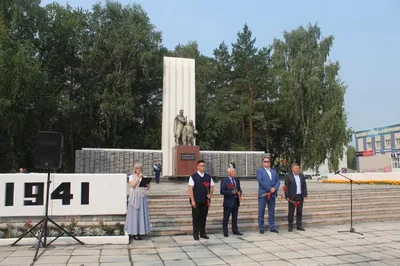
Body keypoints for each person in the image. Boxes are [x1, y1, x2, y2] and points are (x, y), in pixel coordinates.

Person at [188, 160, 214, 240]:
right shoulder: (193, 176)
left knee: (203, 217)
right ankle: (196, 234)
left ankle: (203, 233)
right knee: (196, 218)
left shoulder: (208, 176)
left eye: (204, 165)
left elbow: (212, 186)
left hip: (205, 201)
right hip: (196, 201)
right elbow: (190, 189)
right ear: (197, 166)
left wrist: (210, 194)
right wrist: (192, 200)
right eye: (201, 165)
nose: (203, 167)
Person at [125, 163, 151, 242]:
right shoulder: (131, 177)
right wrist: (138, 177)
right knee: (134, 214)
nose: (139, 169)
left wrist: (147, 184)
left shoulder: (144, 177)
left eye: (140, 168)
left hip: (142, 197)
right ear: (135, 169)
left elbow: (148, 188)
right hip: (134, 197)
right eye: (137, 168)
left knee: (141, 214)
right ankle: (134, 232)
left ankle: (140, 231)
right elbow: (133, 185)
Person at [257, 156, 280, 234]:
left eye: (268, 161)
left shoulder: (274, 171)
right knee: (261, 211)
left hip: (272, 194)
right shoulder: (260, 171)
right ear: (263, 163)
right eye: (265, 161)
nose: (266, 163)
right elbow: (260, 181)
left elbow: (278, 181)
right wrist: (269, 188)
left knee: (271, 211)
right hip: (263, 194)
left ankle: (272, 227)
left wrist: (275, 188)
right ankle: (261, 227)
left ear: (270, 163)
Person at [284, 163, 308, 232]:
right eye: (296, 168)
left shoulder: (301, 175)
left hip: (300, 196)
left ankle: (299, 225)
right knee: (291, 212)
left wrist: (305, 194)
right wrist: (287, 196)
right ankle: (290, 226)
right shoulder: (288, 176)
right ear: (292, 169)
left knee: (299, 211)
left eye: (298, 168)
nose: (297, 169)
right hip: (292, 197)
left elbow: (304, 185)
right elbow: (286, 187)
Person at [220, 167, 243, 237]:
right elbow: (222, 191)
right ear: (229, 173)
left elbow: (239, 189)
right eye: (233, 172)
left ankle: (235, 230)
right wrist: (231, 192)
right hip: (228, 202)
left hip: (236, 201)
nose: (234, 173)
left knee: (235, 217)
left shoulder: (237, 180)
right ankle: (225, 231)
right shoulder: (224, 180)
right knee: (226, 217)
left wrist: (240, 193)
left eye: (235, 172)